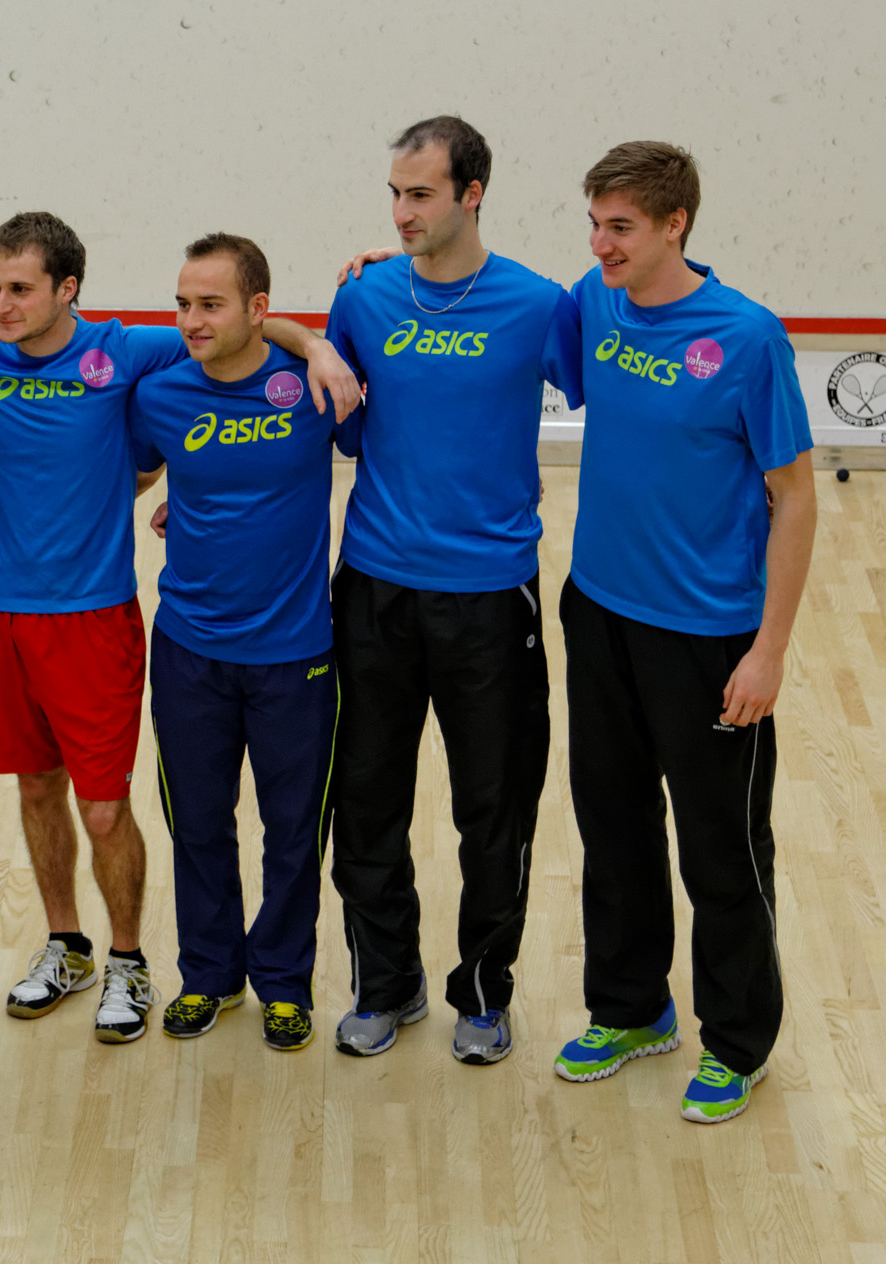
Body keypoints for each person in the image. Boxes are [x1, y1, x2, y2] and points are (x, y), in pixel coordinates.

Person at [0, 212, 359, 1042]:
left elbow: (251, 332)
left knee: (244, 826)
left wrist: (314, 344)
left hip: (161, 631)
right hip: (20, 621)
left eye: (19, 288)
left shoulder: (132, 356)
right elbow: (142, 462)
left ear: (68, 290)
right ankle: (118, 957)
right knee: (117, 805)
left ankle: (231, 974)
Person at [551, 142, 813, 1124]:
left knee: (721, 850)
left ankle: (736, 1041)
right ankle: (628, 1008)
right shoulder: (597, 298)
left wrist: (768, 649)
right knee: (610, 827)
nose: (598, 242)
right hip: (599, 611)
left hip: (707, 638)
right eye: (592, 222)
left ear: (674, 226)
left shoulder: (746, 339)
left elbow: (793, 499)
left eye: (618, 226)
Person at [323, 116, 585, 1064]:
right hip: (376, 592)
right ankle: (384, 985)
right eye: (394, 193)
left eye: (420, 194)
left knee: (494, 809)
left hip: (490, 601)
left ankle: (483, 991)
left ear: (472, 194)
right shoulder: (364, 298)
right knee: (365, 800)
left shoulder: (540, 305)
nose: (401, 213)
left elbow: (628, 381)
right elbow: (332, 410)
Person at [129, 234, 342, 1050]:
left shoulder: (312, 390)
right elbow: (140, 471)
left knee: (293, 831)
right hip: (188, 651)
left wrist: (313, 340)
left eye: (210, 304)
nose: (190, 319)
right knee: (199, 823)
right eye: (182, 303)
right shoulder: (162, 396)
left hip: (296, 656)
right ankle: (209, 975)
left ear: (260, 310)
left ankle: (283, 983)